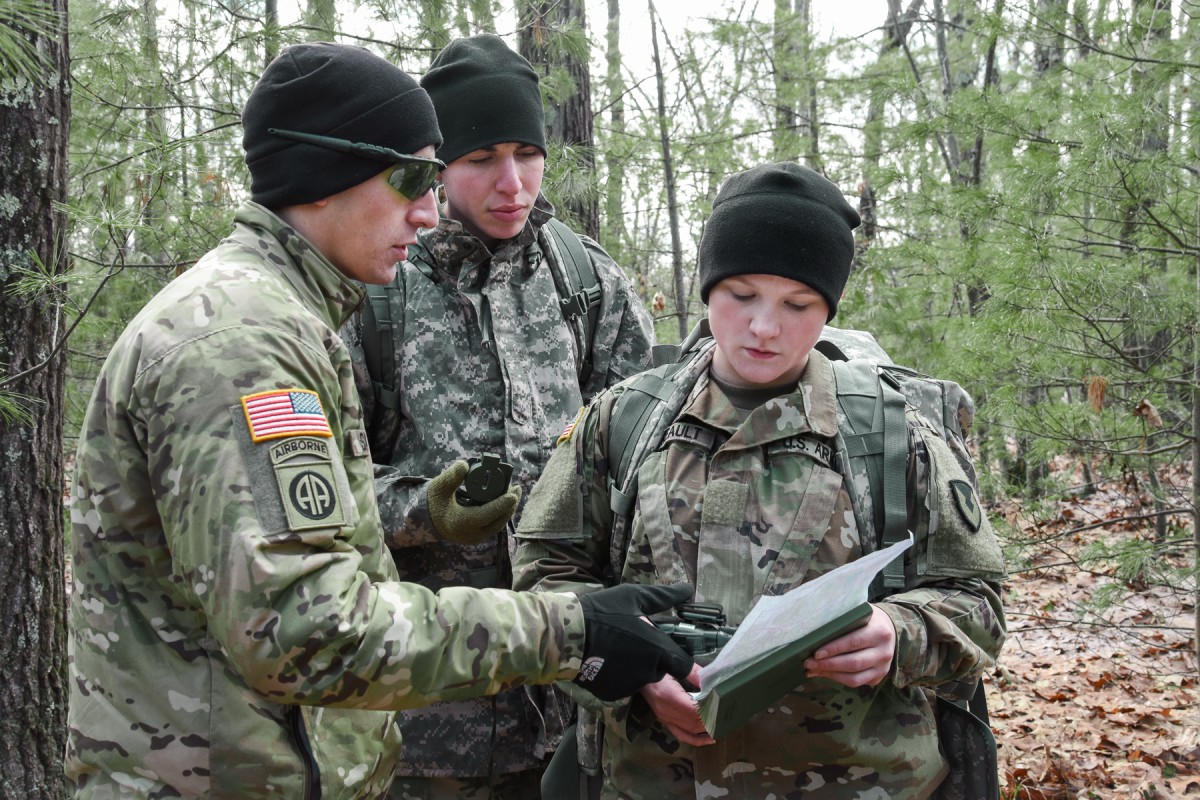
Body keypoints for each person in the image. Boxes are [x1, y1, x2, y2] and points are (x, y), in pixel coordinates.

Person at [64, 42, 698, 800]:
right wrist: (571, 630)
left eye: (433, 181)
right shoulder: (241, 345)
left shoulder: (280, 320)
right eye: (410, 179)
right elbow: (309, 634)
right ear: (324, 175)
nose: (428, 211)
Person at [511, 162, 1008, 798]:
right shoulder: (623, 419)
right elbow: (544, 574)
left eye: (798, 304)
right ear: (707, 288)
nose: (765, 327)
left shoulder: (891, 430)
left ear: (829, 307)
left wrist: (900, 634)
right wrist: (625, 670)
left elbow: (977, 600)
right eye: (741, 295)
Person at [342, 34, 656, 800]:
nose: (511, 182)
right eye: (481, 158)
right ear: (436, 165)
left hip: (576, 710)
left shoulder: (586, 281)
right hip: (425, 722)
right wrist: (428, 513)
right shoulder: (378, 294)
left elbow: (649, 470)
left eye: (527, 152)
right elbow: (324, 497)